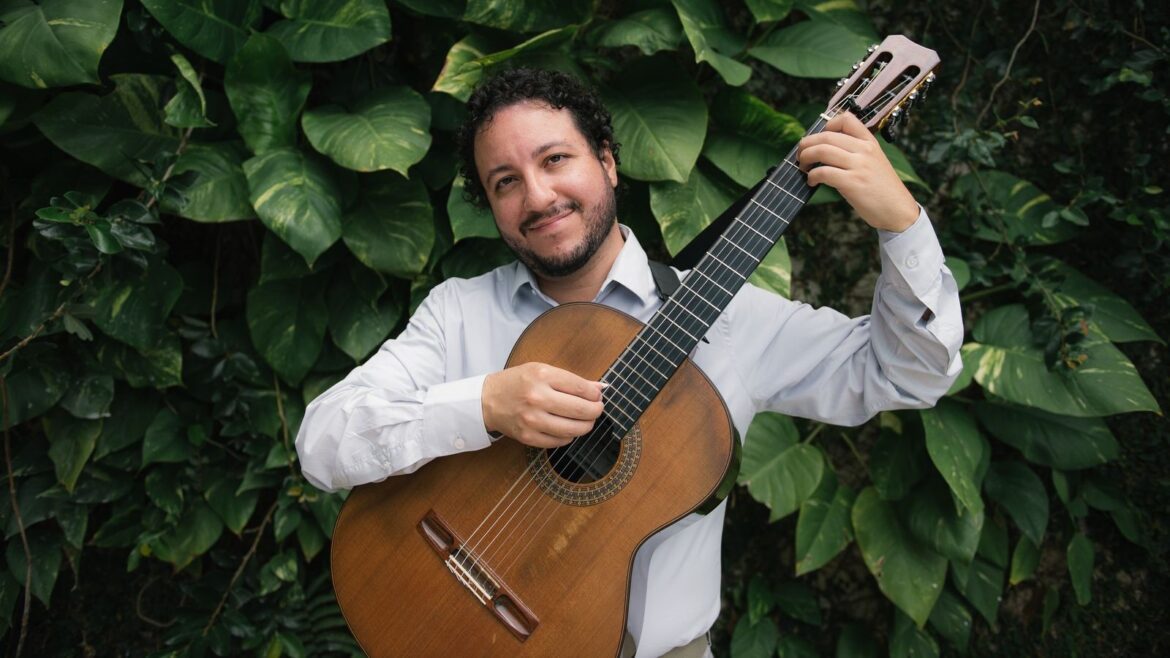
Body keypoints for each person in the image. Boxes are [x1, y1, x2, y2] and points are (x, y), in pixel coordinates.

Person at [296, 68, 962, 657]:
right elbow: (323, 444)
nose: (537, 195)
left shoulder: (736, 323)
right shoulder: (459, 313)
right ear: (492, 207)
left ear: (608, 162)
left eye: (556, 159)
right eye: (506, 182)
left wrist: (902, 226)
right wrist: (483, 407)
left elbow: (912, 372)